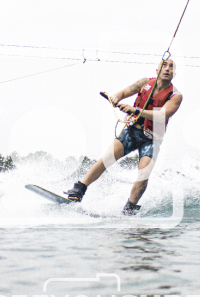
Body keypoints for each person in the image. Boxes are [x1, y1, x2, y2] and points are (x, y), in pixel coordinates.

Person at [66, 58, 183, 214]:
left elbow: (162, 115)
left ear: (174, 73)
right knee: (106, 159)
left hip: (151, 140)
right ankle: (78, 191)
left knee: (143, 175)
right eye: (164, 65)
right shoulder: (144, 82)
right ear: (157, 70)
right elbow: (122, 93)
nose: (167, 69)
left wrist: (135, 110)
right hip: (132, 131)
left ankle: (129, 209)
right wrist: (116, 98)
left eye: (171, 67)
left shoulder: (175, 96)